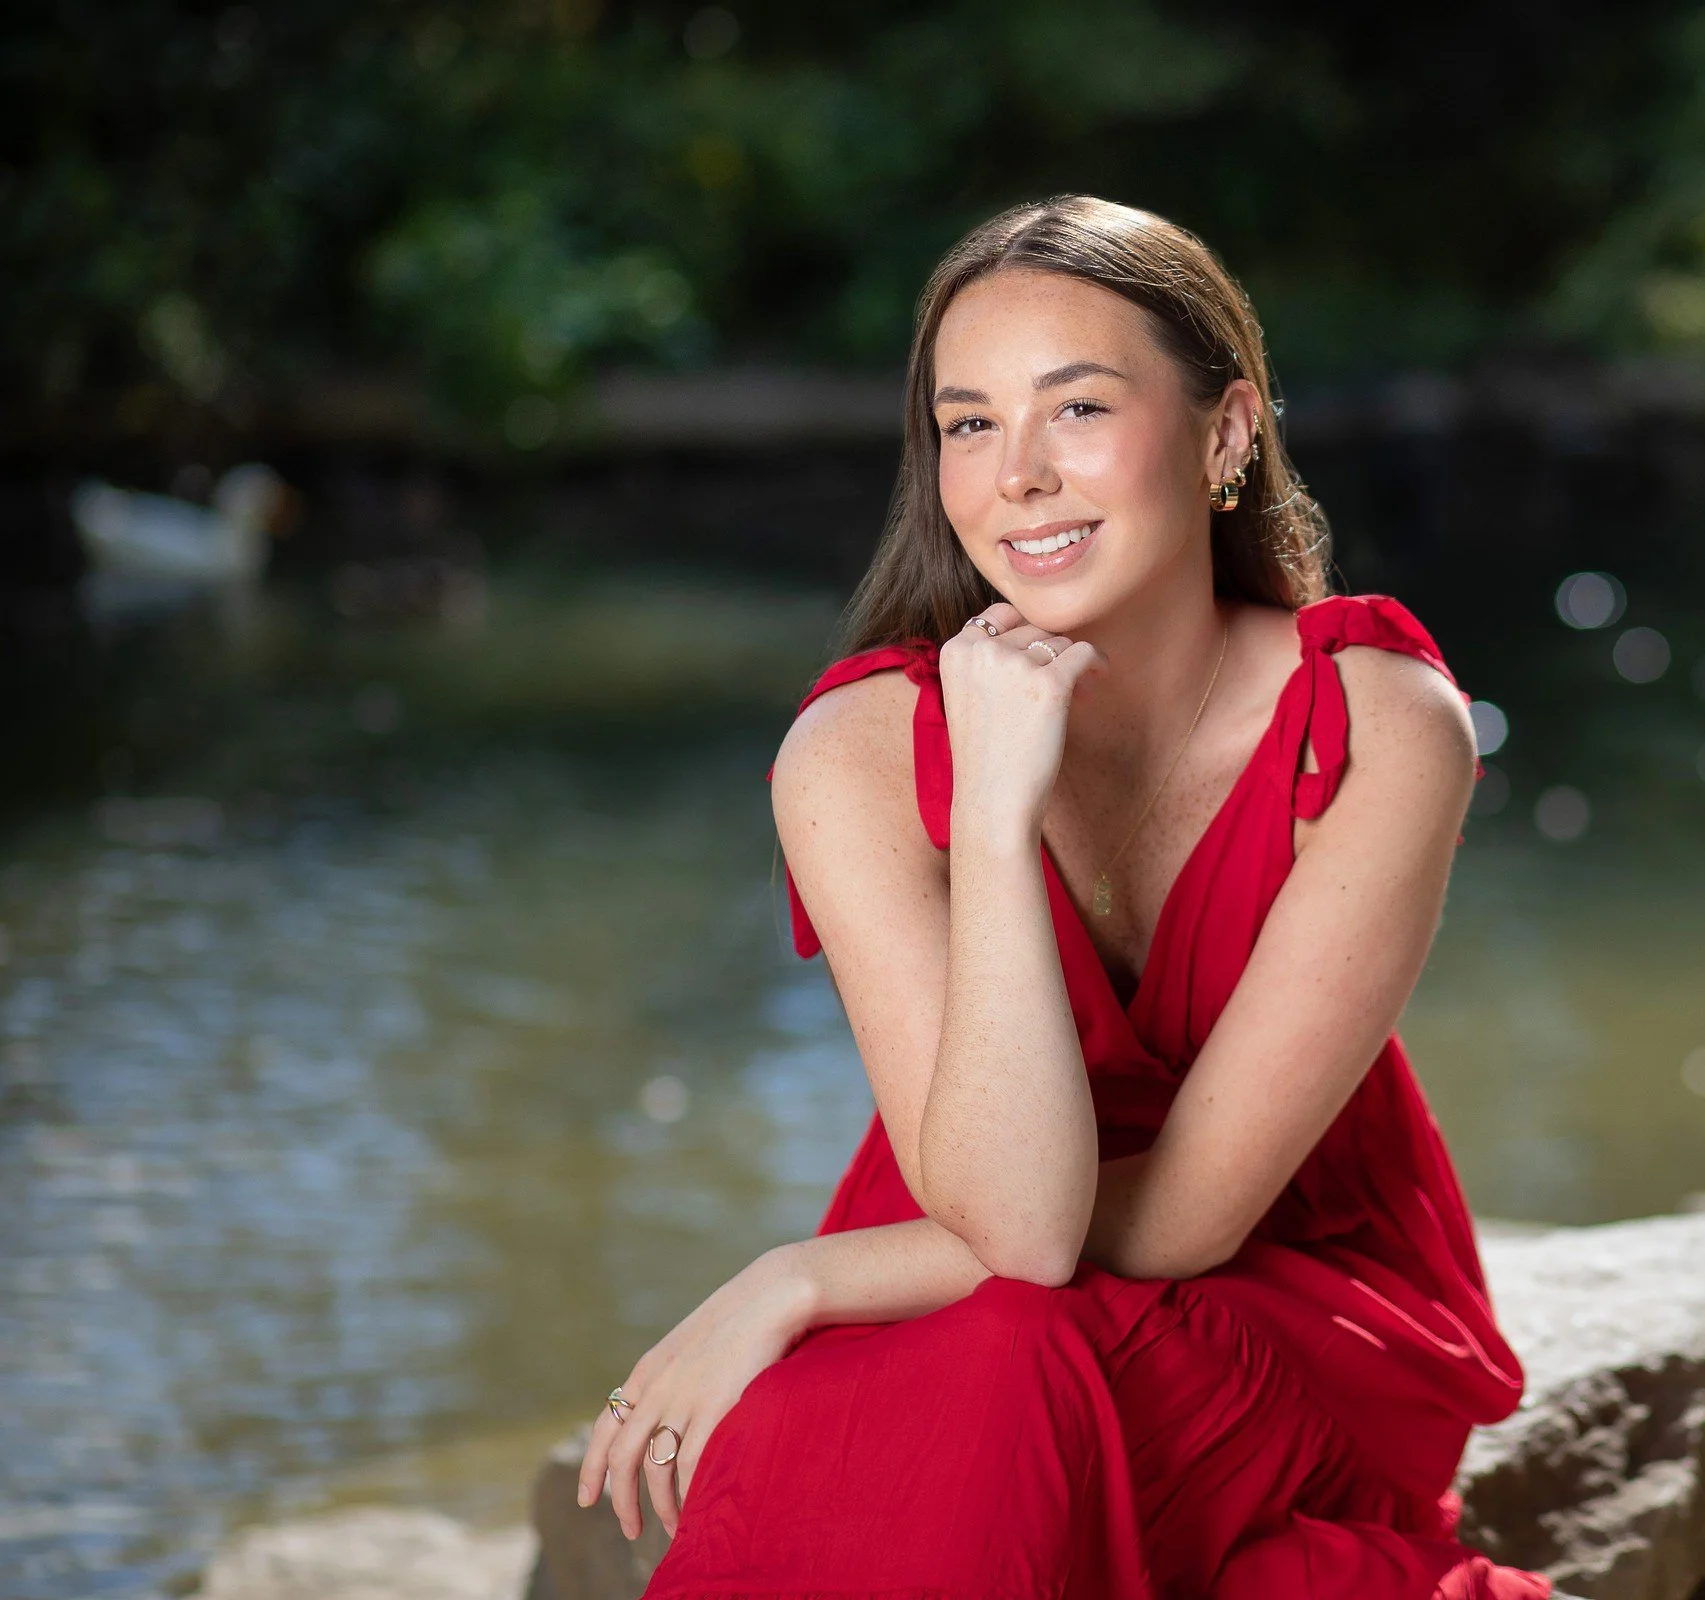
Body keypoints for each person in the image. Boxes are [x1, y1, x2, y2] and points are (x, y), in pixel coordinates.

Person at [575, 195, 1549, 1599]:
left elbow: (1164, 1228)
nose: (1016, 475)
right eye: (969, 424)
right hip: (975, 1271)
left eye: (1075, 408)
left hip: (1290, 1295)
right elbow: (1011, 1227)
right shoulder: (852, 757)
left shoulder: (1380, 724)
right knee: (993, 1372)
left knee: (937, 1411)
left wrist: (803, 1280)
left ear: (1225, 433)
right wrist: (991, 804)